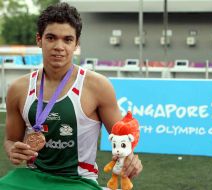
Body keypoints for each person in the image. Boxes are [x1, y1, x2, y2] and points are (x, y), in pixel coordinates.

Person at [0, 2, 142, 190]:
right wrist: (13, 151)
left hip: (78, 182)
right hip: (33, 176)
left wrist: (130, 158)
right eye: (51, 38)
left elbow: (122, 139)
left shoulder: (97, 86)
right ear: (39, 39)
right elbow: (11, 139)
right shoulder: (18, 88)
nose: (59, 46)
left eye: (67, 39)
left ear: (76, 44)